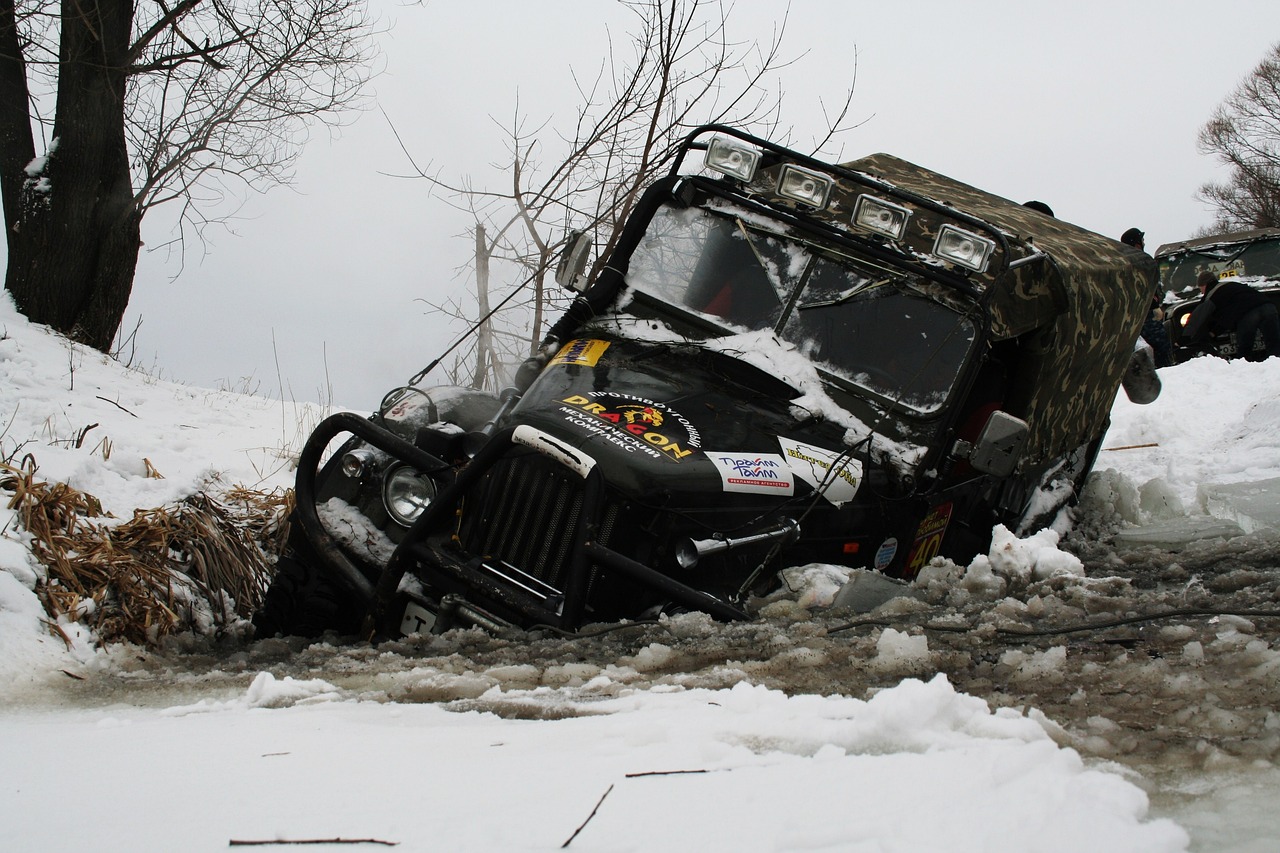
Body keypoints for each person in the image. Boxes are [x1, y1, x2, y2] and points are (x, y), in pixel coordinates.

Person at [1184, 270, 1280, 361]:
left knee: (1245, 346)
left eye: (1201, 288)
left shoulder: (1213, 294)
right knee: (1274, 343)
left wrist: (1186, 338)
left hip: (1249, 313)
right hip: (1269, 307)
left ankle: (1243, 366)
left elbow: (1225, 317)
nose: (1202, 292)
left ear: (1204, 285)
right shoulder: (1233, 286)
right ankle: (1275, 364)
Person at [1120, 228, 1174, 367]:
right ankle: (1166, 371)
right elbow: (1142, 286)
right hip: (1143, 310)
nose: (1144, 243)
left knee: (1129, 348)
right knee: (1161, 342)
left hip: (1131, 312)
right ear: (1136, 243)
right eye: (1141, 240)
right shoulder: (1137, 260)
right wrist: (1154, 306)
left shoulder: (1122, 260)